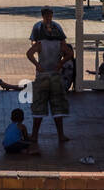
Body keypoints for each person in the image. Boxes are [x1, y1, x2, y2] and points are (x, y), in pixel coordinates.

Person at [27, 8, 72, 142]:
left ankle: (35, 136)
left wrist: (37, 64)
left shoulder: (40, 43)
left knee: (39, 106)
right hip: (55, 75)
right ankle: (60, 135)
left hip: (43, 75)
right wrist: (60, 63)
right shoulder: (59, 43)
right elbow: (70, 53)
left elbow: (29, 53)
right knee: (57, 106)